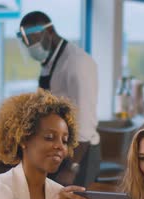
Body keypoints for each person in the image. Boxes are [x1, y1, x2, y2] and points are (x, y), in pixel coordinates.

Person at [18, 11, 100, 187]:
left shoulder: (77, 63)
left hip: (80, 154)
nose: (31, 45)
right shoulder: (51, 61)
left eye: (33, 39)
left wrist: (72, 167)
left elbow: (85, 121)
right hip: (60, 150)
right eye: (27, 42)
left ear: (49, 32)